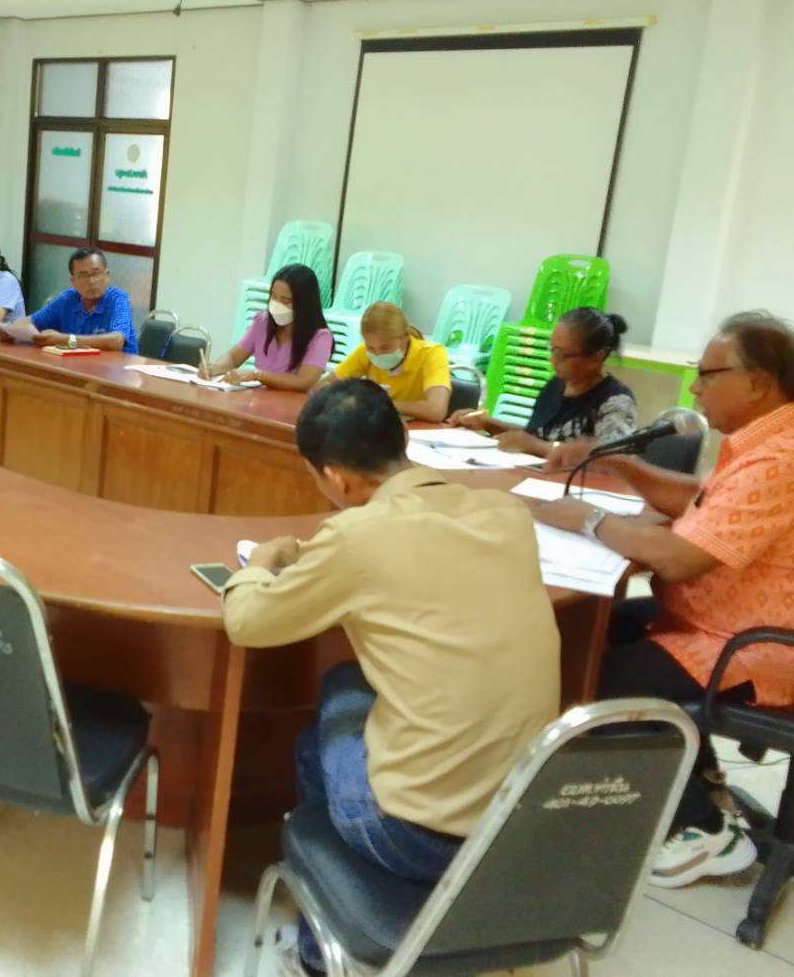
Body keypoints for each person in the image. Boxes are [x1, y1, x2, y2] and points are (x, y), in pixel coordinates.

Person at [222, 379, 560, 976]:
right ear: (401, 437)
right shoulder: (506, 514)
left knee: (318, 734)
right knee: (344, 683)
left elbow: (247, 623)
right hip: (519, 826)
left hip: (418, 838)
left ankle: (322, 942)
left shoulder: (357, 536)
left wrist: (262, 564)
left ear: (336, 478)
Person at [534, 311, 794, 888]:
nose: (694, 389)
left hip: (759, 647)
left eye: (707, 375)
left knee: (589, 684)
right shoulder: (791, 430)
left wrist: (589, 518)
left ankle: (704, 831)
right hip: (736, 621)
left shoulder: (787, 458)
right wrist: (618, 462)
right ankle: (698, 780)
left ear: (757, 381)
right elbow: (701, 501)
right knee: (589, 630)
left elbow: (679, 558)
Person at [450, 307, 636, 461]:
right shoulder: (556, 385)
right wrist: (487, 423)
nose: (552, 360)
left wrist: (537, 447)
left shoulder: (615, 401)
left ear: (596, 358)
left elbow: (612, 460)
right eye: (552, 349)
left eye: (561, 354)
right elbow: (538, 435)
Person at [200, 264, 332, 392]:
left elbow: (303, 382)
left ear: (305, 304)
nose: (277, 304)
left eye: (286, 301)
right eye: (273, 296)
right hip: (257, 400)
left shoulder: (320, 337)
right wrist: (216, 368)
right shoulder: (262, 322)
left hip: (292, 404)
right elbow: (233, 358)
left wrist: (258, 375)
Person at [330, 301, 451, 421]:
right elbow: (325, 386)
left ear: (405, 337)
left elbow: (436, 410)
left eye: (385, 348)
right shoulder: (364, 352)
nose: (377, 354)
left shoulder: (432, 354)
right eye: (371, 348)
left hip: (418, 428)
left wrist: (381, 405)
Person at [24, 247, 137, 353]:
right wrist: (15, 332)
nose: (91, 281)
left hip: (118, 366)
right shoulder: (67, 299)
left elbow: (116, 341)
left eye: (96, 273)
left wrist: (64, 339)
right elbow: (27, 322)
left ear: (107, 275)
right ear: (73, 282)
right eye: (83, 276)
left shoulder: (118, 298)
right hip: (78, 364)